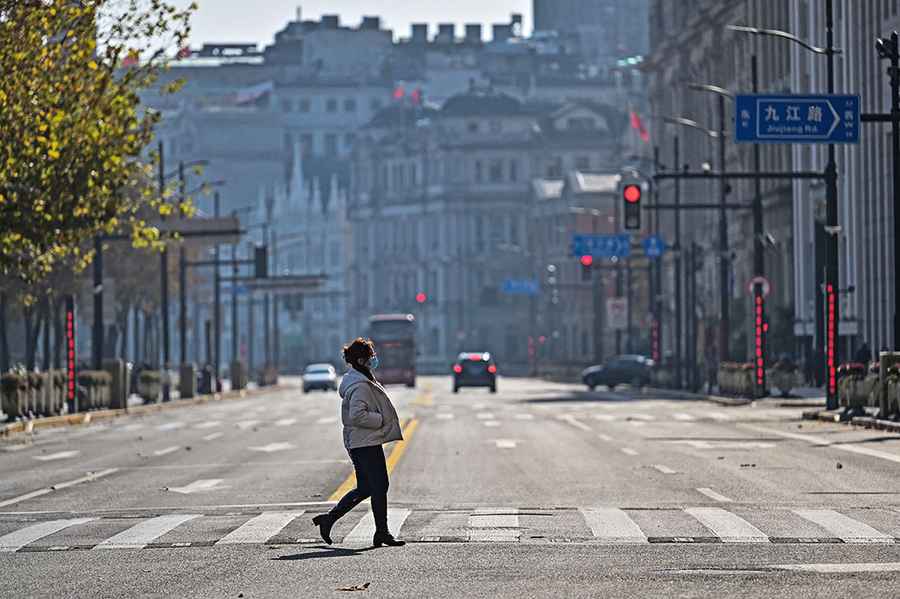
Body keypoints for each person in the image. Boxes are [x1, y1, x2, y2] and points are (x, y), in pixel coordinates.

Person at [312, 338, 405, 548]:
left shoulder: (360, 379)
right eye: (371, 356)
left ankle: (329, 519)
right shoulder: (360, 385)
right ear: (362, 360)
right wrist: (379, 420)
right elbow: (357, 415)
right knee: (380, 485)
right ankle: (382, 532)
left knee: (366, 487)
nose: (374, 359)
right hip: (365, 443)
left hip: (362, 442)